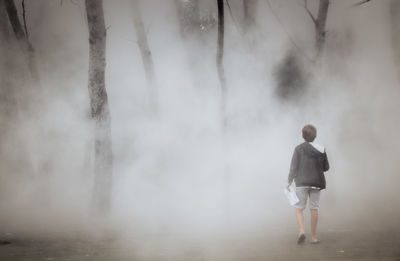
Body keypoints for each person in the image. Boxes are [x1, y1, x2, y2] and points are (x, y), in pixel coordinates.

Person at [287, 124, 329, 244]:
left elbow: (293, 167)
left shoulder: (298, 148)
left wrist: (289, 181)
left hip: (302, 182)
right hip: (316, 182)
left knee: (299, 208)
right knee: (314, 208)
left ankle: (301, 231)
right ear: (315, 136)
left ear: (303, 136)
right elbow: (326, 167)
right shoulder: (321, 149)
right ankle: (314, 237)